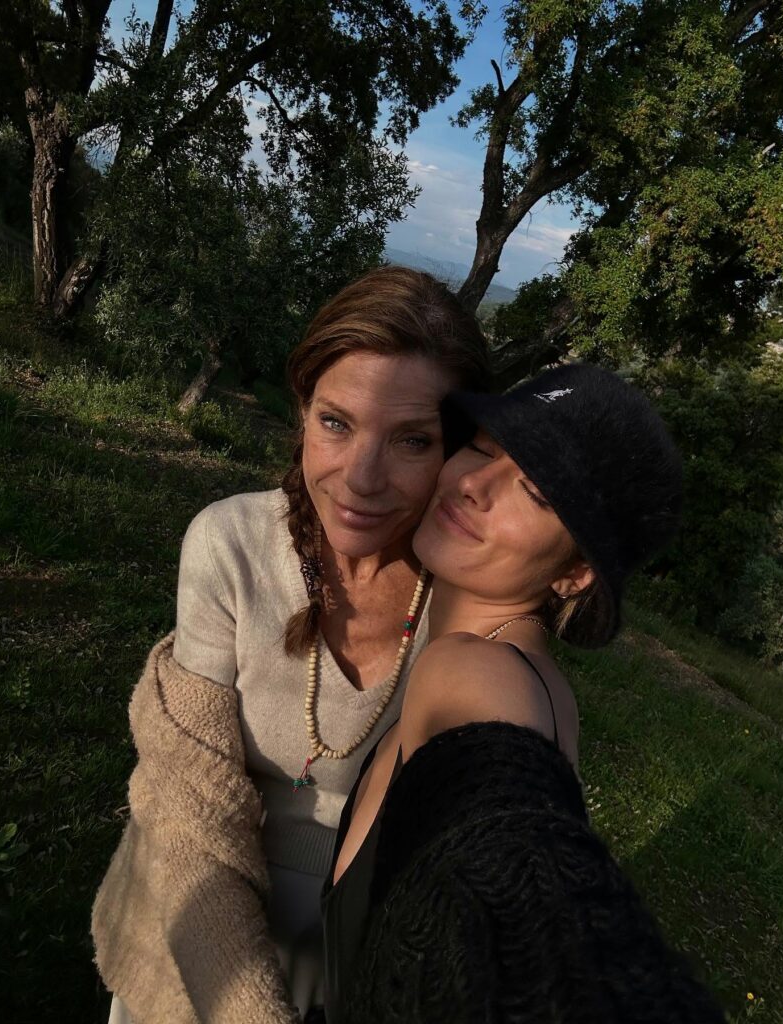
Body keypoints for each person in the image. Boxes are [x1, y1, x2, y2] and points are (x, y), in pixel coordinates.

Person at [91, 266, 491, 1024]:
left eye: (412, 440)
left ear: (459, 450)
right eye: (336, 423)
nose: (361, 479)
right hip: (195, 927)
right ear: (302, 411)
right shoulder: (231, 545)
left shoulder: (473, 603)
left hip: (370, 957)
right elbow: (187, 807)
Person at [322, 363, 726, 1023]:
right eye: (483, 448)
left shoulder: (474, 673)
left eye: (535, 491)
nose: (472, 483)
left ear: (575, 572)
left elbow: (519, 864)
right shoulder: (542, 684)